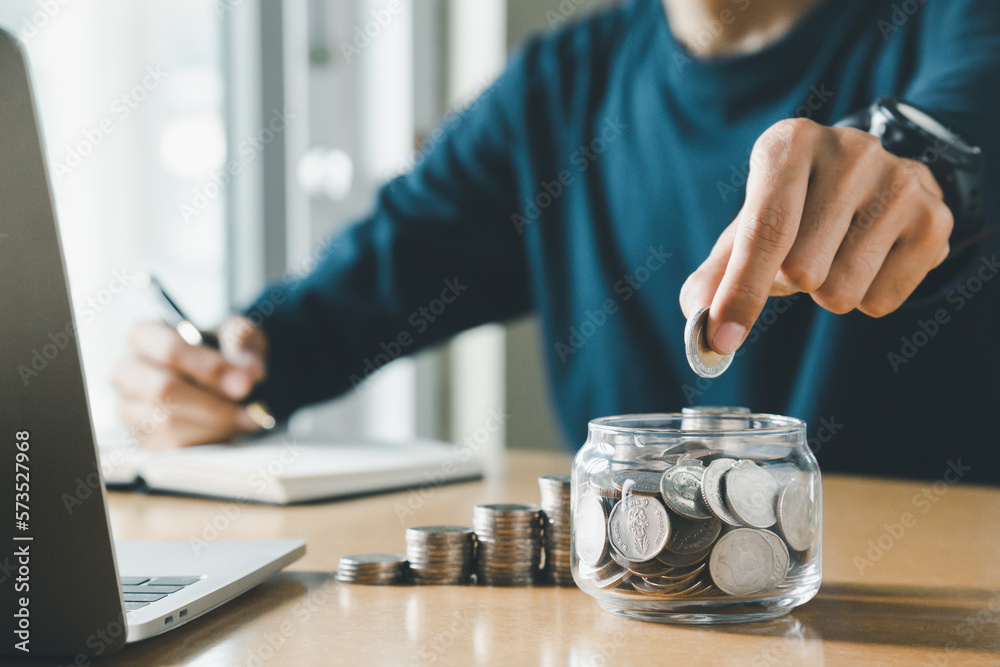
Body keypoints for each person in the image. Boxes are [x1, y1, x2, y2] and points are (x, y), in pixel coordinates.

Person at [113, 0, 1000, 483]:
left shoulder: (954, 23)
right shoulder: (556, 87)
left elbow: (961, 121)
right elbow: (335, 312)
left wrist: (919, 160)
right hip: (632, 625)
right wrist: (214, 370)